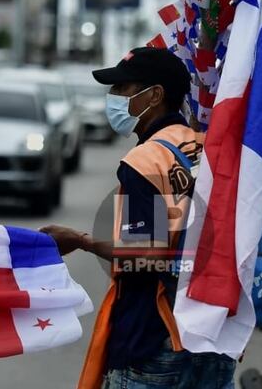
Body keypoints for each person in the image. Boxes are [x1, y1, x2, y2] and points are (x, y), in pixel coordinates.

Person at [40, 46, 237, 389]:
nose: (113, 97)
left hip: (156, 340)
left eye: (122, 89)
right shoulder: (209, 150)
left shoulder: (145, 162)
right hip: (216, 339)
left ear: (155, 95)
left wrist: (81, 241)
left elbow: (146, 254)